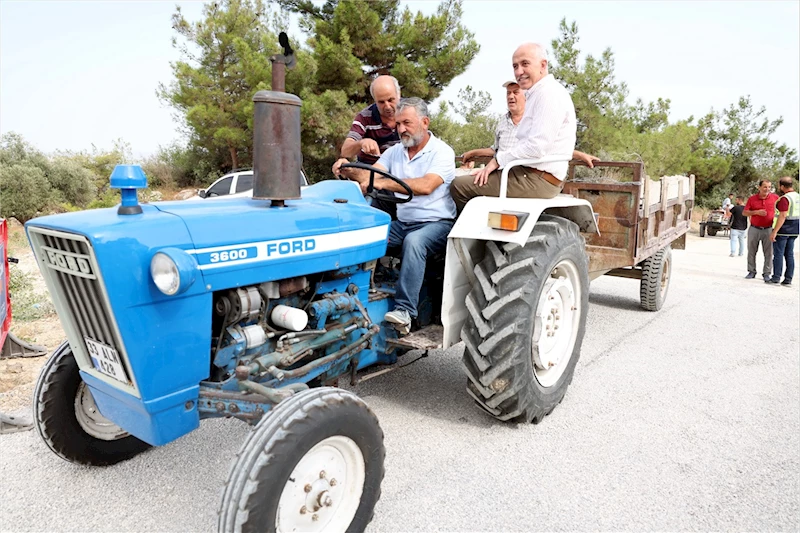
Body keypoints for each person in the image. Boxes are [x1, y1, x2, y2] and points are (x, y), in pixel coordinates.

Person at [334, 97, 456, 331]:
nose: (400, 129)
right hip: (405, 222)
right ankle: (355, 294)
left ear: (425, 122)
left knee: (414, 242)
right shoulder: (394, 153)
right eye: (398, 124)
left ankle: (404, 311)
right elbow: (371, 176)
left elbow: (425, 186)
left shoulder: (442, 152)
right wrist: (347, 168)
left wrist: (384, 183)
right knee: (368, 235)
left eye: (406, 123)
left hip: (438, 224)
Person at [450, 43, 577, 211]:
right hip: (530, 172)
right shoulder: (537, 93)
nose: (519, 72)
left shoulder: (548, 94)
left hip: (538, 178)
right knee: (470, 178)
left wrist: (497, 161)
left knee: (458, 186)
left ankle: (476, 234)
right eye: (515, 66)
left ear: (543, 65)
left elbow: (537, 147)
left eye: (525, 64)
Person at [459, 80, 598, 171]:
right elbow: (496, 150)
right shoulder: (502, 121)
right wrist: (473, 153)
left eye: (515, 92)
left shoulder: (535, 119)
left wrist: (580, 156)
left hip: (524, 174)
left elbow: (545, 147)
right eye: (508, 93)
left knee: (462, 187)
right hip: (500, 171)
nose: (511, 96)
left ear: (525, 96)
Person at [334, 75, 402, 217]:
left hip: (401, 172)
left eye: (391, 100)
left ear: (399, 94)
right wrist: (361, 143)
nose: (387, 106)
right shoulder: (365, 116)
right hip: (371, 172)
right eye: (381, 102)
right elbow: (346, 150)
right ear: (374, 100)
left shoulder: (409, 113)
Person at [743, 179, 779, 280]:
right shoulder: (752, 199)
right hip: (754, 228)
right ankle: (751, 271)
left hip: (769, 229)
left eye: (769, 187)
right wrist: (756, 212)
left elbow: (782, 212)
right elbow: (745, 212)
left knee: (769, 253)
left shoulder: (776, 198)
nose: (767, 189)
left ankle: (767, 273)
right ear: (759, 187)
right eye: (765, 187)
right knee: (751, 251)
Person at [766, 177, 799, 286]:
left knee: (778, 254)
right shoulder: (797, 196)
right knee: (789, 255)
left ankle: (776, 278)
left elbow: (783, 215)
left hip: (783, 230)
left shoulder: (785, 198)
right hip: (794, 230)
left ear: (782, 186)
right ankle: (788, 279)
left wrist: (775, 231)